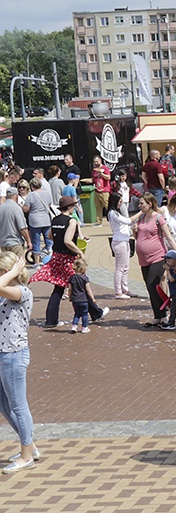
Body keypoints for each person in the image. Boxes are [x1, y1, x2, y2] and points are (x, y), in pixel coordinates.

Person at [0, 252, 38, 474]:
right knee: (4, 404)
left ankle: (26, 456)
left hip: (14, 355)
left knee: (18, 405)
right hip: (3, 354)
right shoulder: (6, 292)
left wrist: (14, 271)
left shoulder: (22, 292)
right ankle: (30, 445)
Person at [31, 196, 84, 328]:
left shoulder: (55, 220)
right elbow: (68, 241)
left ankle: (51, 320)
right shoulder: (71, 221)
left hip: (57, 256)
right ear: (70, 207)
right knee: (79, 285)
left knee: (59, 288)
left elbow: (50, 236)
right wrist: (79, 251)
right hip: (67, 258)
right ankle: (93, 313)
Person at [133, 193, 176, 327]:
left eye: (142, 203)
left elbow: (169, 237)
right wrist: (134, 231)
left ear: (149, 204)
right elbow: (138, 237)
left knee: (152, 285)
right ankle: (157, 316)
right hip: (143, 258)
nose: (139, 206)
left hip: (158, 256)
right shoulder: (141, 217)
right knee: (150, 288)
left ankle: (163, 315)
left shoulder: (158, 218)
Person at [107, 193, 133, 299]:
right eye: (119, 201)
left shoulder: (117, 212)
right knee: (120, 268)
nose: (121, 203)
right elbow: (128, 221)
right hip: (119, 242)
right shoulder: (112, 213)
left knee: (126, 267)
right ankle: (118, 292)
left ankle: (125, 289)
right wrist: (140, 213)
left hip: (125, 241)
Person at [22, 178, 53, 260]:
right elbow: (49, 205)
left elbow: (26, 209)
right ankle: (51, 256)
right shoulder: (47, 193)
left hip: (35, 221)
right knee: (49, 240)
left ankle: (36, 262)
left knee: (36, 241)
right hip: (46, 219)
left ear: (32, 186)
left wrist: (21, 206)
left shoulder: (31, 195)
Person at [68, 258, 97, 333]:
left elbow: (70, 289)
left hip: (75, 300)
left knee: (77, 313)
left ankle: (74, 326)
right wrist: (92, 298)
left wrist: (70, 296)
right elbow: (88, 289)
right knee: (84, 314)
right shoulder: (85, 278)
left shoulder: (72, 278)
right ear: (82, 269)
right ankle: (84, 327)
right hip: (83, 300)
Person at [0, 187, 30, 258]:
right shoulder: (17, 208)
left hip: (3, 243)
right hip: (15, 242)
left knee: (8, 266)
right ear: (16, 196)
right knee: (18, 265)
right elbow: (22, 228)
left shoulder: (1, 207)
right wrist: (28, 241)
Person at [160, 250, 176, 330]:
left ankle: (171, 323)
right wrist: (166, 270)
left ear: (175, 260)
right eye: (167, 261)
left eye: (169, 261)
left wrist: (167, 270)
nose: (167, 262)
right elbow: (163, 278)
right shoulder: (171, 269)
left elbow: (172, 279)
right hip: (173, 292)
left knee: (173, 308)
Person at [91, 156, 111, 226]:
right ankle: (99, 222)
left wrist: (101, 173)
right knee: (98, 207)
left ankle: (113, 219)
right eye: (95, 162)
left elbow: (108, 177)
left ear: (100, 161)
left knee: (108, 206)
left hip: (104, 191)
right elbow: (93, 179)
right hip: (97, 190)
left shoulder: (105, 168)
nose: (96, 163)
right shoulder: (94, 170)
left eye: (97, 161)